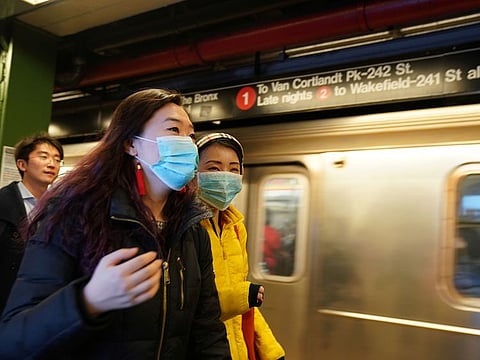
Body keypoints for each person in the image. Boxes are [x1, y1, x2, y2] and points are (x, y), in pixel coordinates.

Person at [0, 89, 231, 360]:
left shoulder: (191, 225)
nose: (188, 144)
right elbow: (13, 339)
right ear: (130, 144)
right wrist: (89, 300)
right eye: (173, 130)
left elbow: (208, 331)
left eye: (190, 135)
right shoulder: (76, 214)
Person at [196, 132, 285, 360]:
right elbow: (193, 306)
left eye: (233, 169)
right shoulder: (189, 229)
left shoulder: (235, 228)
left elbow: (245, 307)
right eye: (214, 169)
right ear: (194, 173)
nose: (225, 176)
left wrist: (271, 351)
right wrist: (245, 296)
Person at [0, 132, 64, 315]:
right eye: (43, 157)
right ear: (22, 164)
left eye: (57, 159)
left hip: (40, 301)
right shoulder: (3, 203)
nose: (52, 164)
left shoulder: (60, 207)